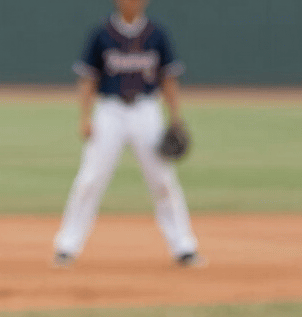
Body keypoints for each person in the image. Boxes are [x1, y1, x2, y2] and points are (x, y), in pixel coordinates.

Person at [53, 0, 203, 268]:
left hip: (146, 110)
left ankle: (184, 246)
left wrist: (176, 117)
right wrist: (85, 117)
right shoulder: (101, 33)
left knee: (163, 181)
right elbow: (88, 78)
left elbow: (169, 78)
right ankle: (67, 246)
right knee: (90, 179)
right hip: (110, 110)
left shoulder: (157, 34)